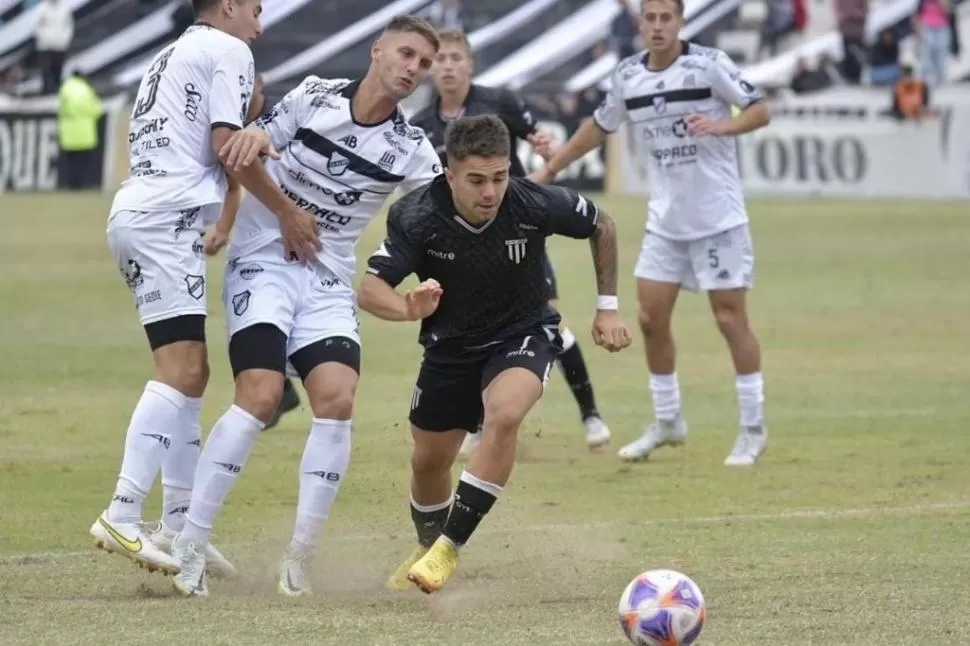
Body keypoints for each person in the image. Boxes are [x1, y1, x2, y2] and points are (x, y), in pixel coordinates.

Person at [169, 14, 443, 598]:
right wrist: (280, 191)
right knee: (262, 395)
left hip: (327, 280)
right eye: (406, 53)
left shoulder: (411, 150)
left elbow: (440, 218)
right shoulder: (315, 96)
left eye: (422, 62)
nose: (412, 69)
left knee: (338, 398)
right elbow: (246, 151)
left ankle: (298, 557)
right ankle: (190, 541)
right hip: (263, 262)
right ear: (377, 49)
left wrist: (420, 290)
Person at [90, 0, 316, 579]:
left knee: (193, 376)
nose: (260, 26)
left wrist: (249, 131)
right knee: (182, 373)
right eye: (257, 11)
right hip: (165, 219)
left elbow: (216, 143)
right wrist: (288, 212)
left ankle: (178, 526)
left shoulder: (174, 51)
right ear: (230, 6)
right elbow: (227, 150)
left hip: (148, 214)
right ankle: (121, 511)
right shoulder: (229, 48)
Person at [359, 114, 631, 594]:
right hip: (450, 348)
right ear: (450, 174)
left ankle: (447, 549)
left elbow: (601, 225)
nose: (491, 192)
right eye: (477, 180)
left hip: (523, 333)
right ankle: (426, 546)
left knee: (504, 416)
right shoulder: (417, 216)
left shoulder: (532, 202)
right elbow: (370, 287)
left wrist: (607, 309)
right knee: (428, 462)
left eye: (500, 177)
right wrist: (405, 308)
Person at [531, 0, 771, 466]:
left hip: (718, 218)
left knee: (729, 320)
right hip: (666, 223)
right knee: (649, 319)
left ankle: (752, 427)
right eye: (651, 18)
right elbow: (598, 128)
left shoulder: (708, 65)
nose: (658, 26)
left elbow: (760, 110)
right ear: (640, 23)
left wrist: (721, 125)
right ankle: (668, 421)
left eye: (667, 18)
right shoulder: (627, 76)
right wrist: (552, 168)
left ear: (681, 22)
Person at [409, 28, 612, 454]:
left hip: (516, 236)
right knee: (472, 327)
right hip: (461, 250)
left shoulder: (500, 102)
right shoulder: (421, 126)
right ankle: (480, 421)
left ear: (470, 64)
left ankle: (591, 414)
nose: (447, 66)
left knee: (550, 322)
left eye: (455, 58)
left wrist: (544, 173)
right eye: (439, 59)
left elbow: (541, 141)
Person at [204, 72, 303, 431]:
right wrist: (223, 228)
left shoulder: (287, 119)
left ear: (258, 82)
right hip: (258, 243)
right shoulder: (230, 120)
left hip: (299, 240)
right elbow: (234, 181)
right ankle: (281, 389)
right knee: (249, 318)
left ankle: (321, 404)